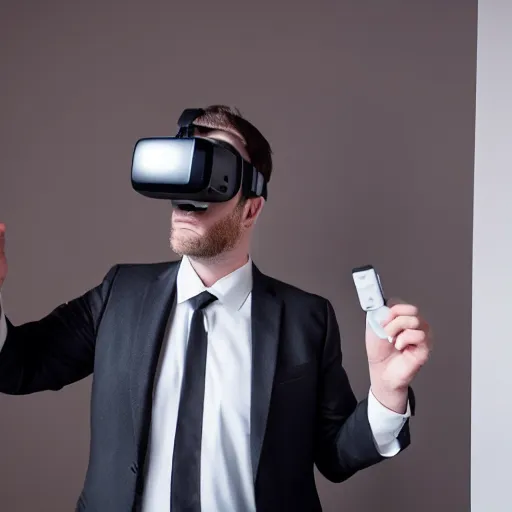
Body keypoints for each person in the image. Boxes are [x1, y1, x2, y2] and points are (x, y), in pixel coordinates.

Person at [0, 105, 432, 512]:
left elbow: (336, 456)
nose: (187, 197)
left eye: (211, 174)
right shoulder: (120, 294)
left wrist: (386, 395)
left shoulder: (306, 319)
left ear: (251, 209)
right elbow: (19, 365)